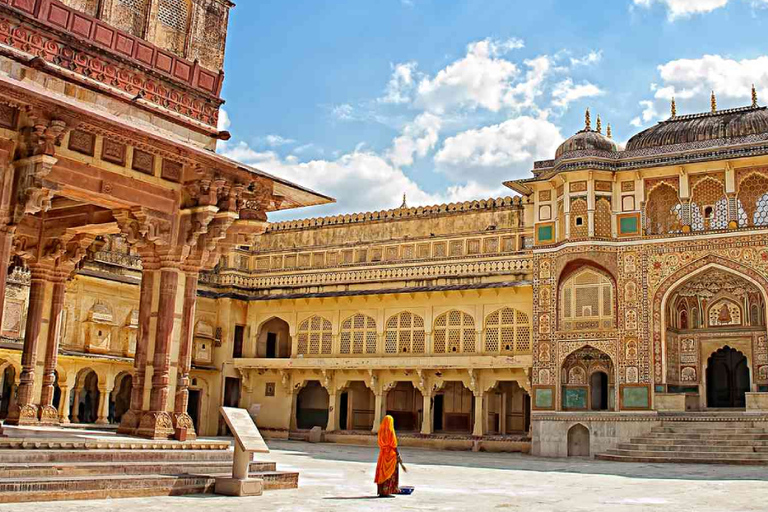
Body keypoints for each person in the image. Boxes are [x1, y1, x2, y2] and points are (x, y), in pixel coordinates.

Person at [374, 415, 401, 497]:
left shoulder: (380, 431)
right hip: (390, 455)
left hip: (382, 455)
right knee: (390, 472)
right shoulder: (390, 431)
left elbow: (379, 443)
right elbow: (394, 444)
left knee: (382, 472)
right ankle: (388, 490)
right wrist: (398, 454)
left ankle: (382, 491)